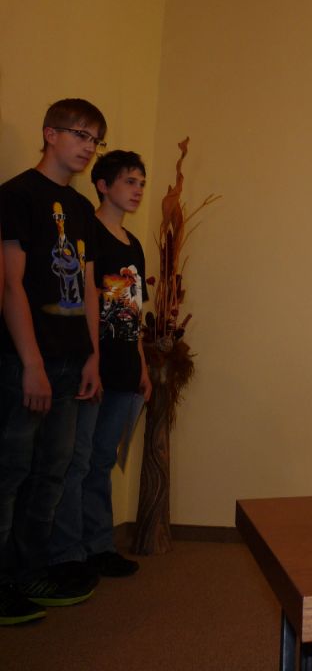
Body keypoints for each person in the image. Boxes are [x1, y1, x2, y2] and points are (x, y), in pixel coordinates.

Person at [0, 98, 104, 626]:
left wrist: (92, 357)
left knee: (52, 472)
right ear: (50, 133)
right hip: (24, 361)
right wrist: (31, 363)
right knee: (10, 471)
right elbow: (10, 284)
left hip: (70, 360)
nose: (88, 147)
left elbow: (88, 287)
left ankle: (29, 573)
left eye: (95, 140)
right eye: (80, 134)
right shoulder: (17, 194)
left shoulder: (82, 207)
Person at [49, 150, 151, 582]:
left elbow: (134, 311)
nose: (138, 191)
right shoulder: (87, 231)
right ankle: (73, 551)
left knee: (103, 459)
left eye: (142, 183)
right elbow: (83, 297)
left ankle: (100, 545)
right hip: (93, 365)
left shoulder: (134, 244)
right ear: (103, 186)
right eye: (130, 182)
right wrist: (91, 359)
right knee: (79, 460)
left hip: (126, 367)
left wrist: (142, 365)